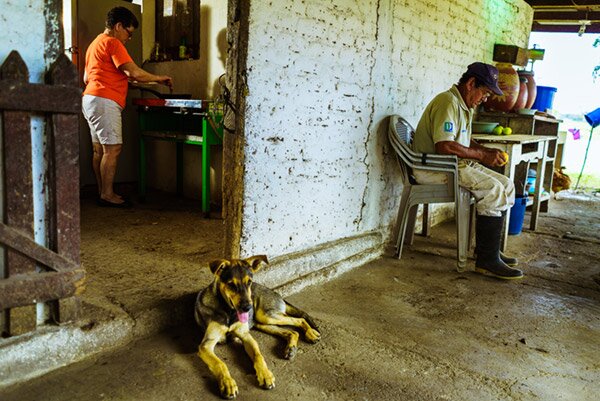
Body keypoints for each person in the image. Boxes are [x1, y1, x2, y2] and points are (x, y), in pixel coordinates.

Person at [412, 62, 523, 280]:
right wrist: (482, 156)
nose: (486, 99)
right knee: (492, 189)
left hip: (451, 166)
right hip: (433, 168)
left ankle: (487, 251)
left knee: (507, 185)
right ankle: (486, 262)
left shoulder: (463, 106)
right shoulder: (448, 102)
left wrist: (484, 150)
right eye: (485, 92)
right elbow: (444, 146)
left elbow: (463, 141)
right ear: (471, 84)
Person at [82, 6, 173, 208]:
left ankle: (101, 191)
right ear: (118, 26)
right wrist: (160, 78)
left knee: (99, 150)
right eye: (128, 33)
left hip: (90, 99)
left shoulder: (95, 44)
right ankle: (107, 194)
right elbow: (133, 73)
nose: (129, 38)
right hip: (105, 101)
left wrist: (147, 83)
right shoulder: (113, 43)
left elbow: (87, 78)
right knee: (112, 150)